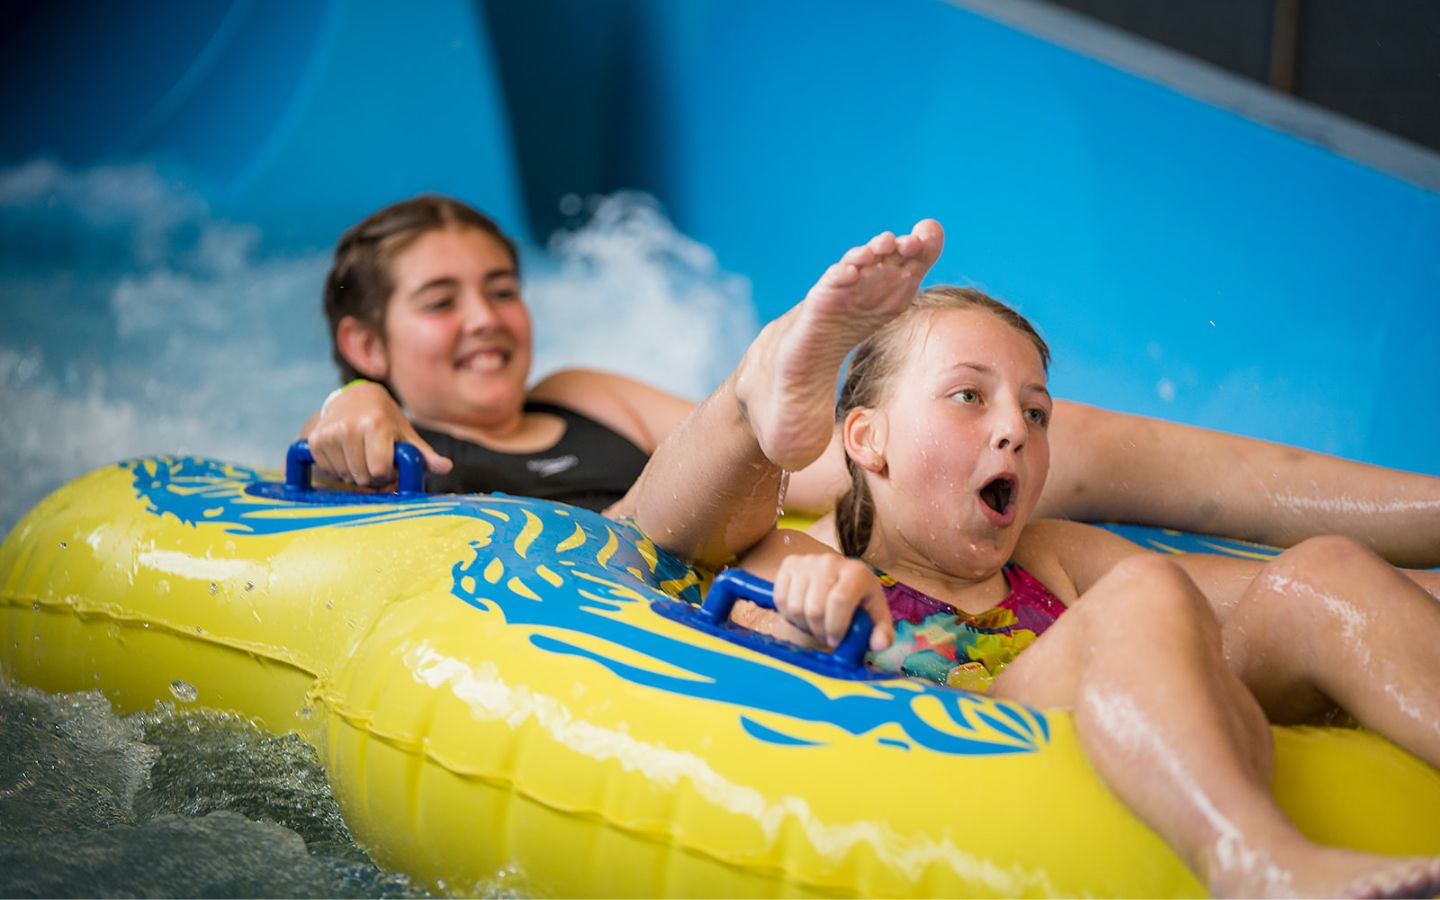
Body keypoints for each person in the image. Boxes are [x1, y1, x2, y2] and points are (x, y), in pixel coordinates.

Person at [622, 222, 1440, 898]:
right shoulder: (807, 551)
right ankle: (1255, 863)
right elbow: (757, 613)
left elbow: (1268, 603)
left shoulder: (1053, 557)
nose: (1015, 428)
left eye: (1037, 412)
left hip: (1122, 699)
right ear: (867, 441)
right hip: (974, 743)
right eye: (968, 397)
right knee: (1142, 589)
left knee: (1324, 568)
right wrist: (811, 602)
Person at [303, 194, 1440, 572]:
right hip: (619, 574)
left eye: (500, 286)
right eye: (441, 301)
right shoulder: (374, 426)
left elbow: (790, 493)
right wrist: (357, 417)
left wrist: (941, 439)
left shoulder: (586, 386)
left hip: (772, 521)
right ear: (364, 345)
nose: (489, 318)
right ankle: (777, 384)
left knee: (1033, 429)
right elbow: (332, 462)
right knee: (696, 494)